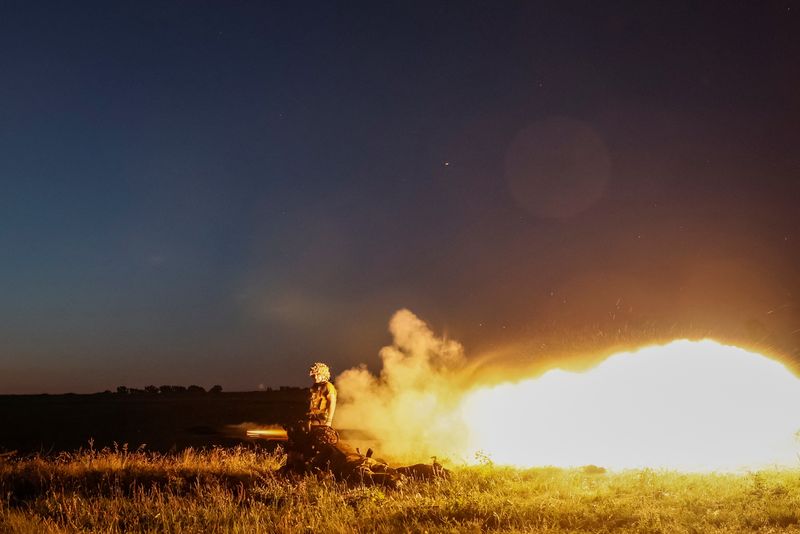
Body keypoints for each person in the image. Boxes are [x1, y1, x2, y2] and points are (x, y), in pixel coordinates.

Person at [307, 362, 337, 427]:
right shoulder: (314, 386)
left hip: (322, 419)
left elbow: (332, 404)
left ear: (324, 375)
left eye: (318, 375)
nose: (315, 377)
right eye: (314, 375)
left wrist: (329, 420)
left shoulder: (328, 386)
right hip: (312, 417)